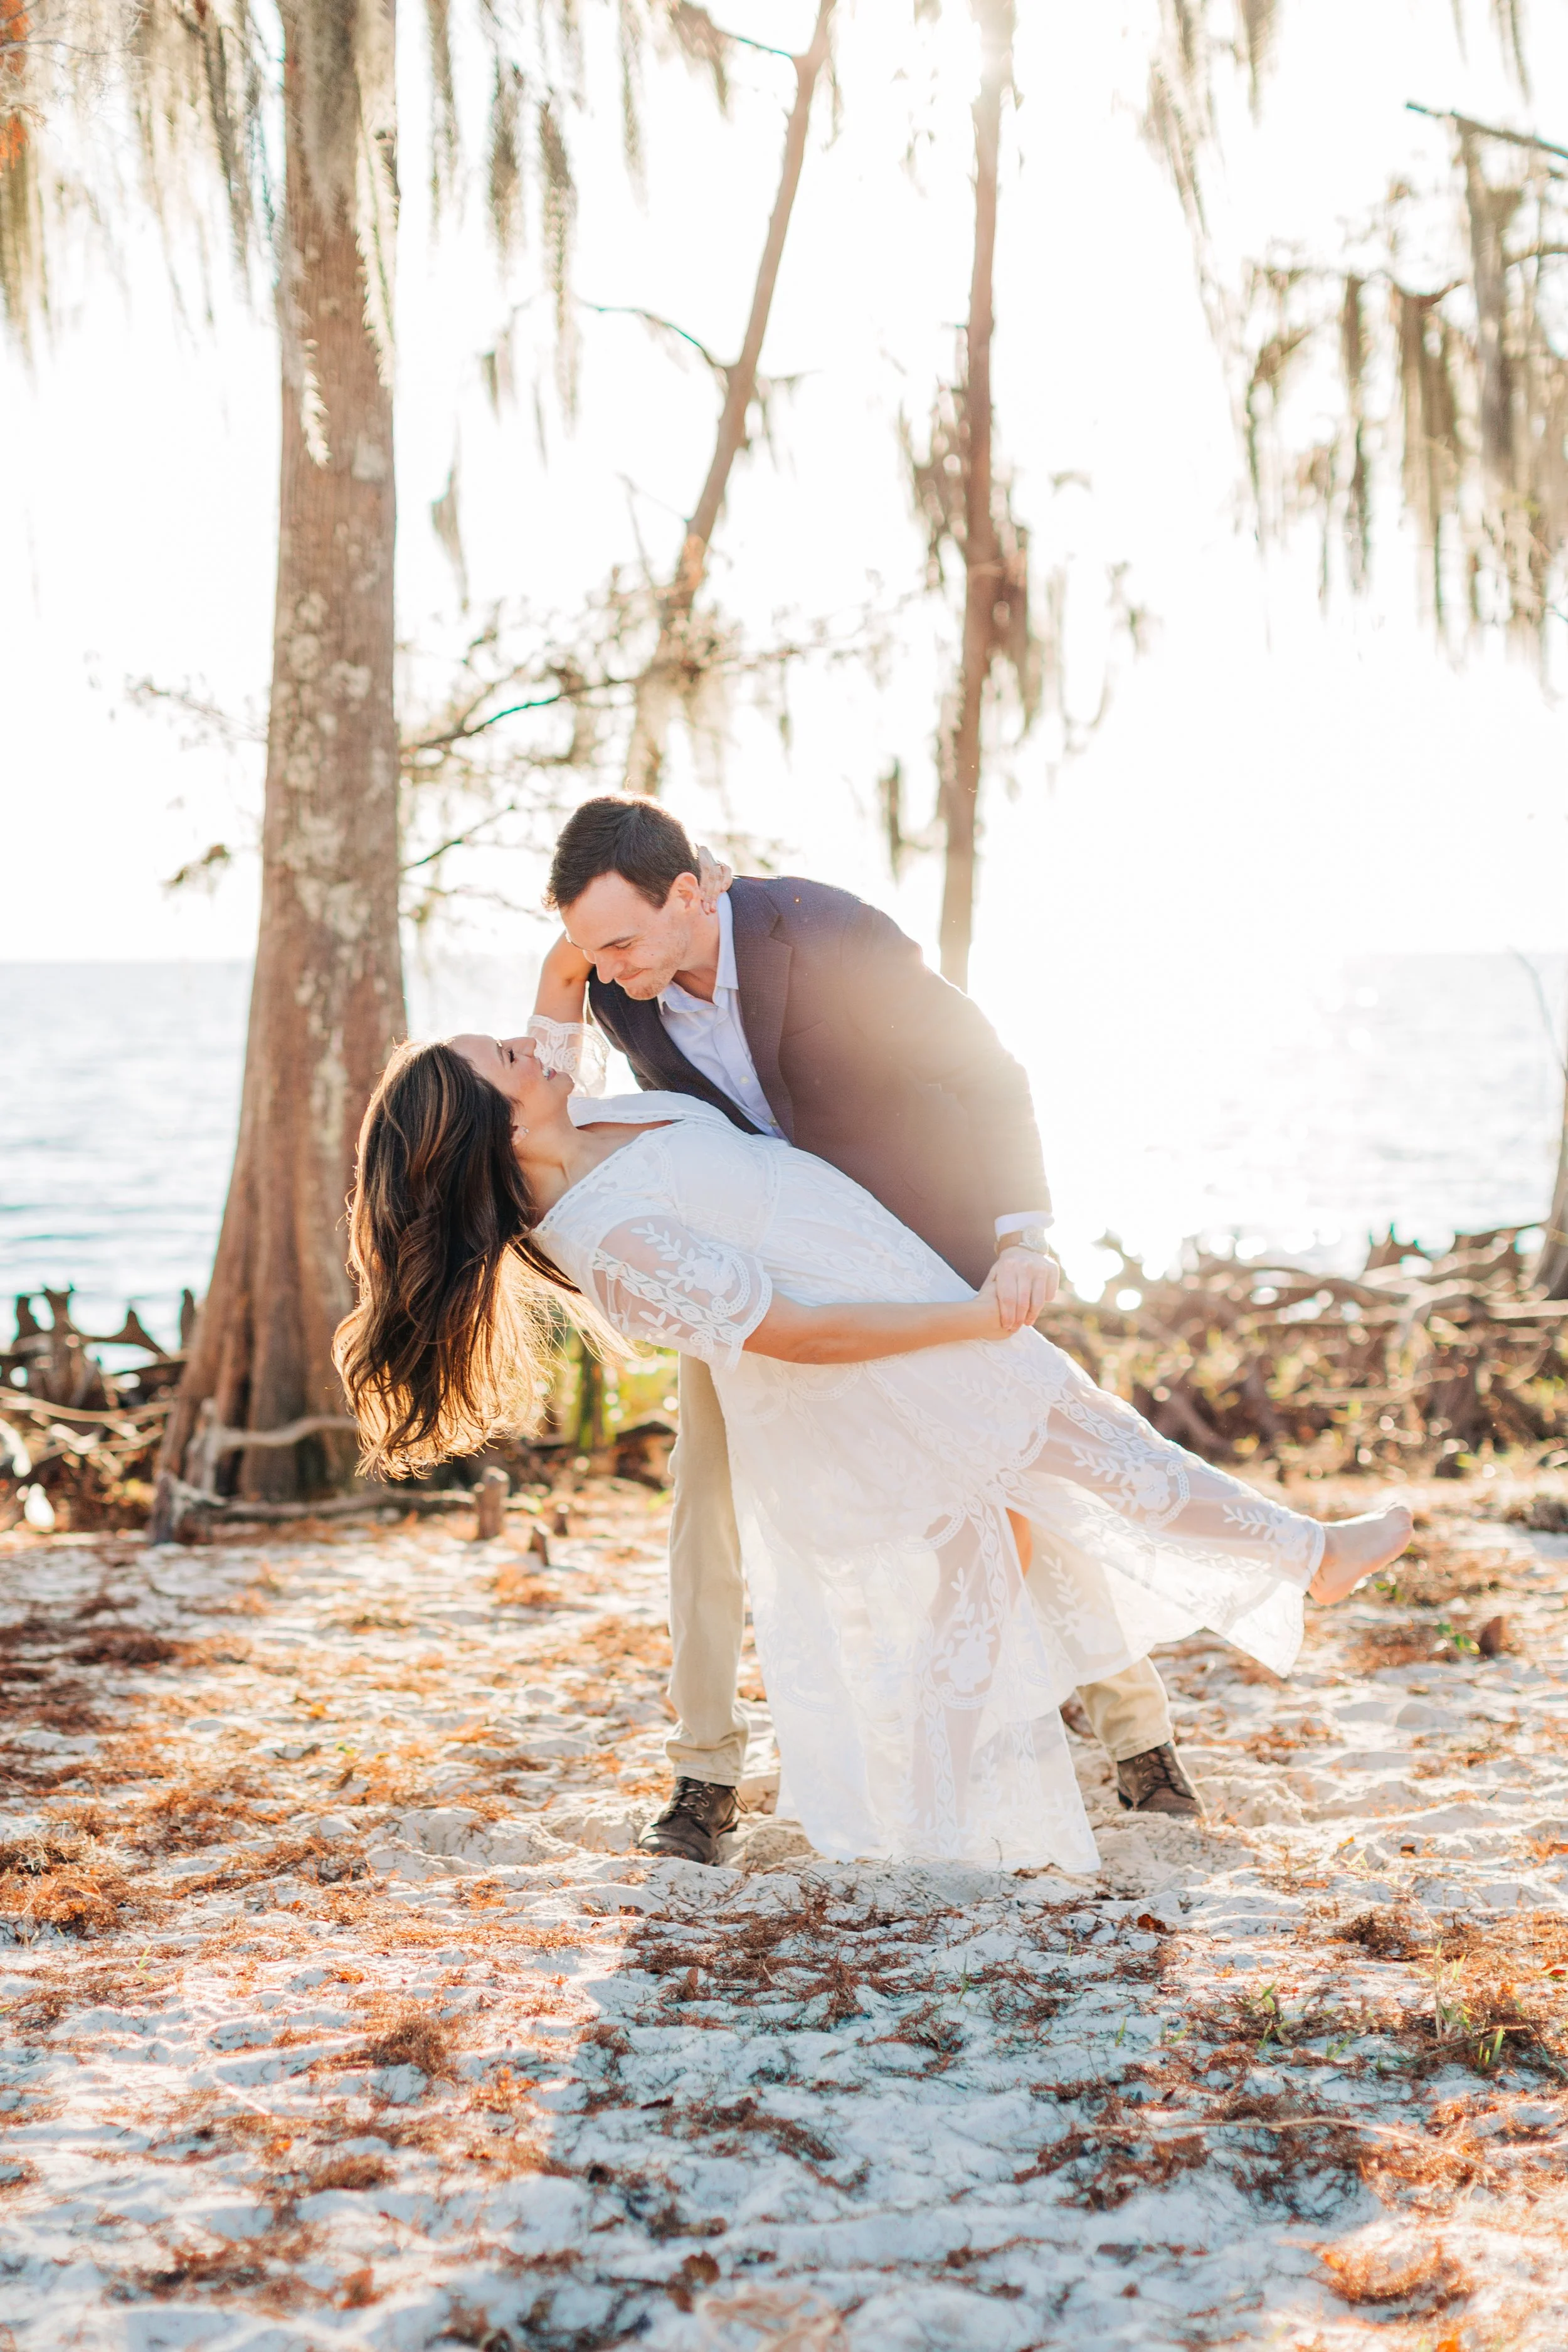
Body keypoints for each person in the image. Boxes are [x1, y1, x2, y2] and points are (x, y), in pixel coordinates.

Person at [332, 1039, 1411, 1880]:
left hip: (912, 1307)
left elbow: (555, 1015)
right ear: (499, 1121)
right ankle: (1307, 1553)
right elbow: (795, 1332)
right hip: (873, 1369)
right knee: (1090, 1447)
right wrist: (967, 1322)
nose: (538, 1043)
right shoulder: (605, 1239)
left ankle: (937, 1813)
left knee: (997, 1540)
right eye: (512, 1058)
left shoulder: (592, 1117)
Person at [528, 798, 1198, 1862]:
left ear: (692, 894)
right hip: (749, 1281)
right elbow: (542, 1099)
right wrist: (567, 972)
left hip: (911, 1247)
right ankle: (704, 1771)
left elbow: (984, 1065)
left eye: (618, 942)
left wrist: (1019, 1236)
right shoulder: (626, 993)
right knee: (704, 1492)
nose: (606, 970)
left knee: (1024, 1469)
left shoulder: (826, 931)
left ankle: (1140, 1736)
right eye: (587, 949)